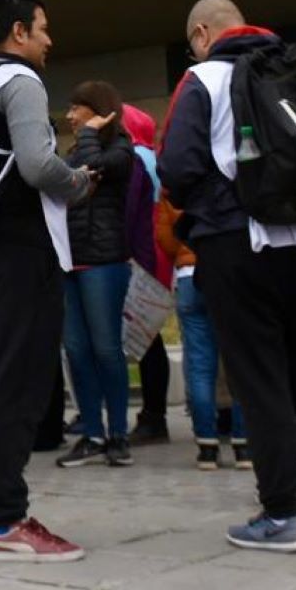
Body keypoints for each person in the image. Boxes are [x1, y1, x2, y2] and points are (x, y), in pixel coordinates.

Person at [158, 0, 296, 554]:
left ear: (202, 32)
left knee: (259, 377)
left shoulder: (203, 79)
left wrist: (213, 212)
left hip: (234, 244)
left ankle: (280, 513)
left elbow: (176, 166)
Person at [0, 0, 93, 562]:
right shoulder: (20, 81)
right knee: (19, 381)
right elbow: (37, 164)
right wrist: (79, 181)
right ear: (17, 33)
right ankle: (9, 522)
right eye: (42, 29)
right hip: (20, 250)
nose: (48, 41)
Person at [56, 81, 137, 468]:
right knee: (76, 350)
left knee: (107, 349)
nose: (70, 116)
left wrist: (90, 136)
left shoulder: (121, 150)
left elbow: (95, 170)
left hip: (104, 263)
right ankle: (92, 432)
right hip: (70, 263)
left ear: (100, 111)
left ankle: (118, 433)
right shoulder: (72, 154)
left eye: (78, 109)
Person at [155, 195, 243, 471]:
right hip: (230, 271)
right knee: (239, 360)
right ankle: (244, 442)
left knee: (199, 363)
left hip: (188, 273)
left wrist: (183, 253)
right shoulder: (228, 172)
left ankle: (207, 444)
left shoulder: (175, 184)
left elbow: (164, 236)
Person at [123, 105, 173, 447]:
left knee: (144, 338)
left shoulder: (134, 160)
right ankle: (156, 413)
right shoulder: (154, 157)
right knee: (152, 335)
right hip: (160, 253)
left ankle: (153, 416)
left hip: (141, 253)